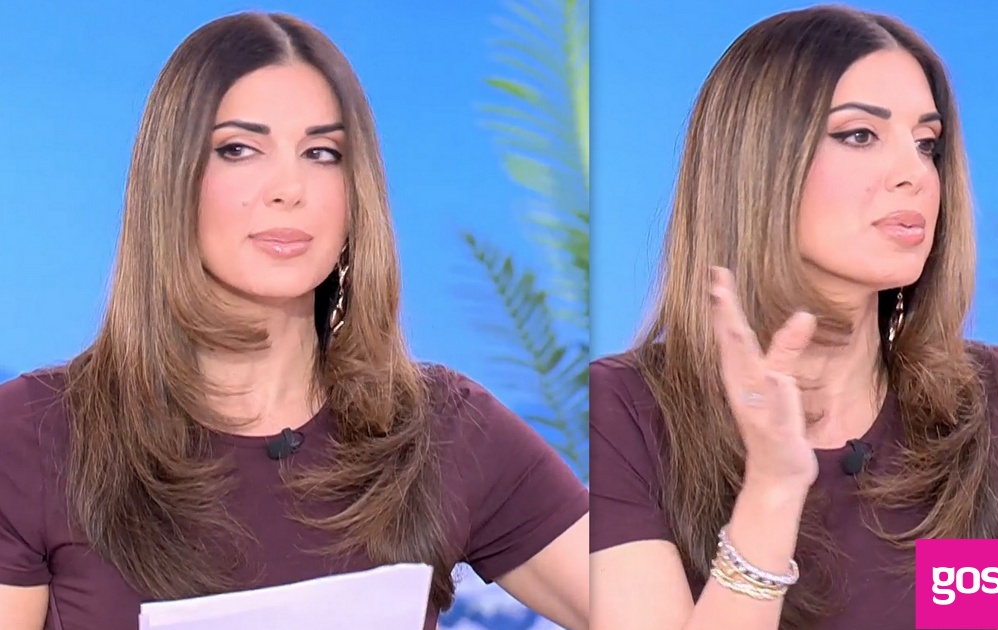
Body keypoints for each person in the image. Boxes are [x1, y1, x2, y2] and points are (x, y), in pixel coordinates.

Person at [589, 5, 998, 630]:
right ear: (757, 163)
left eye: (927, 144)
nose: (915, 175)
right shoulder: (629, 410)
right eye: (860, 135)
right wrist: (772, 491)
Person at [0, 12, 589, 630]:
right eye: (239, 149)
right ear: (171, 183)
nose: (289, 188)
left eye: (321, 153)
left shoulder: (441, 432)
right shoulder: (32, 439)